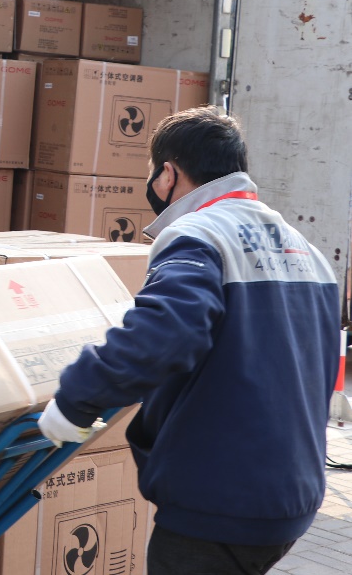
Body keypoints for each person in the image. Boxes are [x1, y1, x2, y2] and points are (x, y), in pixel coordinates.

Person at [38, 107, 341, 575]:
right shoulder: (305, 249)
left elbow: (165, 333)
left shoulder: (199, 234)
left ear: (168, 173)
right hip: (290, 497)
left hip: (219, 500)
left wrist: (76, 399)